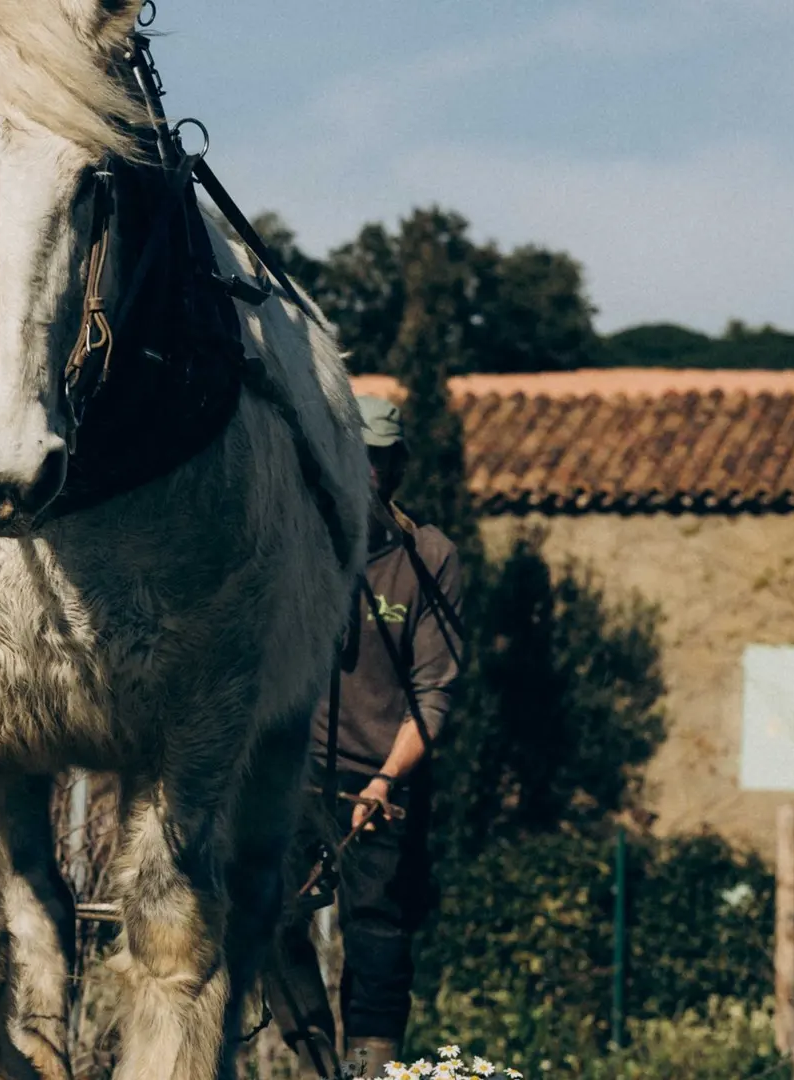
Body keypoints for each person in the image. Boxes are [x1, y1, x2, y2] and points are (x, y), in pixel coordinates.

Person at [270, 394, 465, 1079]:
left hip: (386, 777)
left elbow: (434, 689)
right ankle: (317, 1060)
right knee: (268, 913)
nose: (370, 474)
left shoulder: (428, 558)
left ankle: (369, 1069)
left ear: (399, 466)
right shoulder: (299, 544)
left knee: (378, 930)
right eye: (358, 459)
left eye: (382, 460)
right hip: (296, 773)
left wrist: (385, 779)